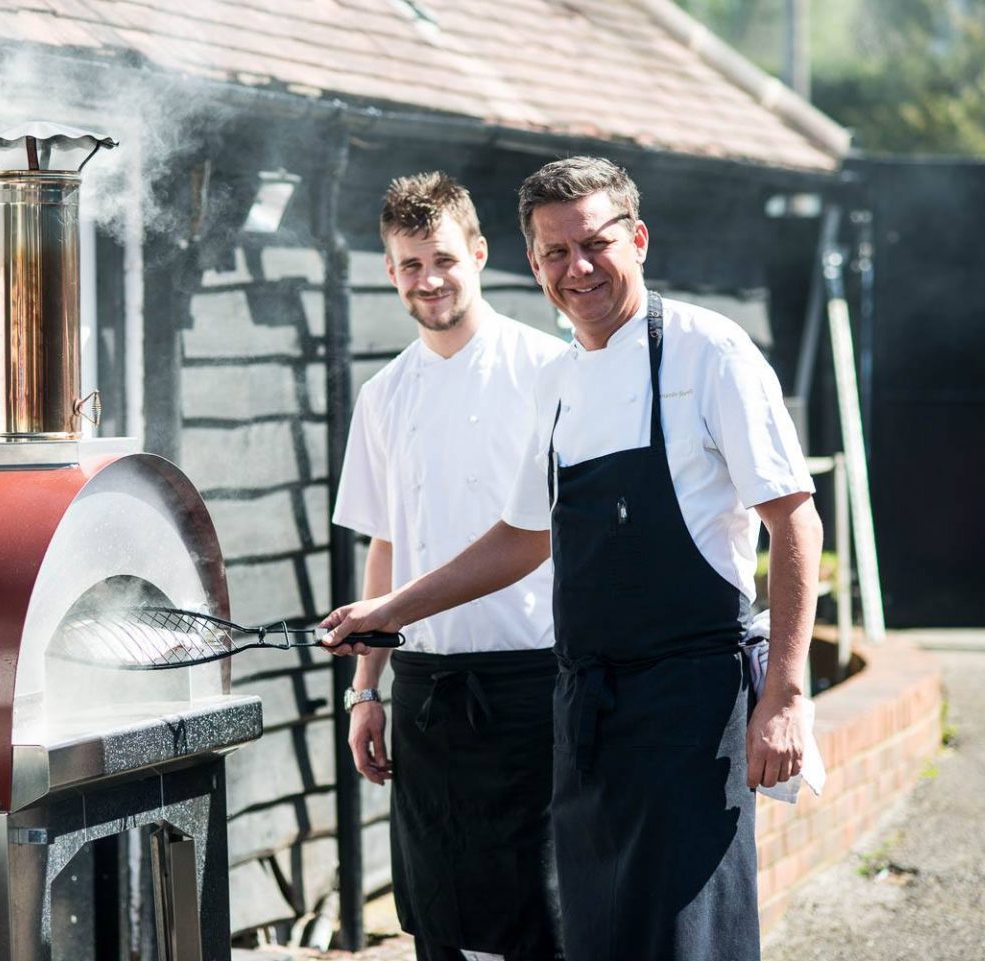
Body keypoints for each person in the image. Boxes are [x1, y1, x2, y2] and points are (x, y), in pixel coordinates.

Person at [322, 157, 823, 961]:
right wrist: (387, 616)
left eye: (595, 244)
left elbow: (795, 522)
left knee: (681, 941)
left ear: (639, 239)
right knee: (592, 936)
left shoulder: (706, 350)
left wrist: (787, 693)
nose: (577, 267)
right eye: (555, 252)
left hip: (690, 701)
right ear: (532, 260)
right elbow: (523, 535)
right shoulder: (559, 380)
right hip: (584, 706)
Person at [332, 171, 568, 961]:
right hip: (427, 692)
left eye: (441, 259)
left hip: (533, 686)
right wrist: (365, 690)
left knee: (541, 918)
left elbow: (542, 534)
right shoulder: (384, 393)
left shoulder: (548, 371)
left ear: (478, 252)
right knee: (438, 919)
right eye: (408, 264)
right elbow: (385, 544)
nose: (427, 280)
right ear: (389, 270)